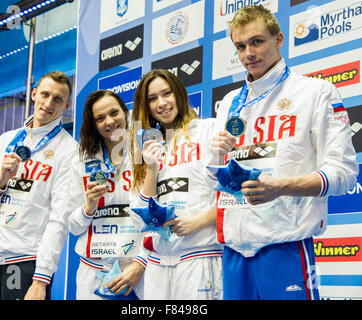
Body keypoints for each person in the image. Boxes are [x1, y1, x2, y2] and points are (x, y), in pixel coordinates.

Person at [210, 5, 359, 300]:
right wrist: (216, 158)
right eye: (240, 46)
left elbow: (345, 173)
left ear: (279, 39)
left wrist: (280, 187)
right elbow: (217, 180)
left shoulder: (316, 92)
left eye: (256, 41)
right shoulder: (228, 102)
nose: (248, 54)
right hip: (234, 250)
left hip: (285, 244)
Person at [0, 71, 78, 300]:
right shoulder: (6, 140)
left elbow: (60, 218)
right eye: (45, 94)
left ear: (67, 104)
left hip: (25, 263)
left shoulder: (68, 151)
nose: (48, 103)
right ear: (33, 94)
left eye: (57, 99)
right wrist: (0, 182)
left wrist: (41, 280)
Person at [129, 69, 223, 300]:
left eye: (167, 93)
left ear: (179, 93)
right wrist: (151, 169)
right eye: (152, 99)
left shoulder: (209, 130)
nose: (161, 103)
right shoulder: (147, 146)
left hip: (200, 256)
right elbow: (138, 218)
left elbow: (233, 195)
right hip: (158, 265)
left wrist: (198, 221)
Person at [67, 89, 146, 300]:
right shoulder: (82, 162)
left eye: (114, 113)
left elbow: (156, 214)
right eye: (100, 118)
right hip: (95, 269)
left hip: (137, 268)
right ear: (93, 124)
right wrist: (88, 207)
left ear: (125, 112)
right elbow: (73, 226)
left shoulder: (145, 151)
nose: (109, 122)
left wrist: (142, 263)